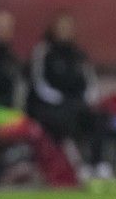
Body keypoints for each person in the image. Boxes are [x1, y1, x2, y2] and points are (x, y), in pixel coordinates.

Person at [25, 11, 111, 179]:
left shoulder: (79, 54)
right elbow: (40, 84)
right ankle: (77, 166)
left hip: (76, 103)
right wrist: (62, 101)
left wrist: (84, 101)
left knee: (98, 118)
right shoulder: (43, 52)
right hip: (48, 105)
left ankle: (98, 164)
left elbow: (90, 82)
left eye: (68, 28)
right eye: (61, 27)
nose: (65, 31)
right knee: (64, 120)